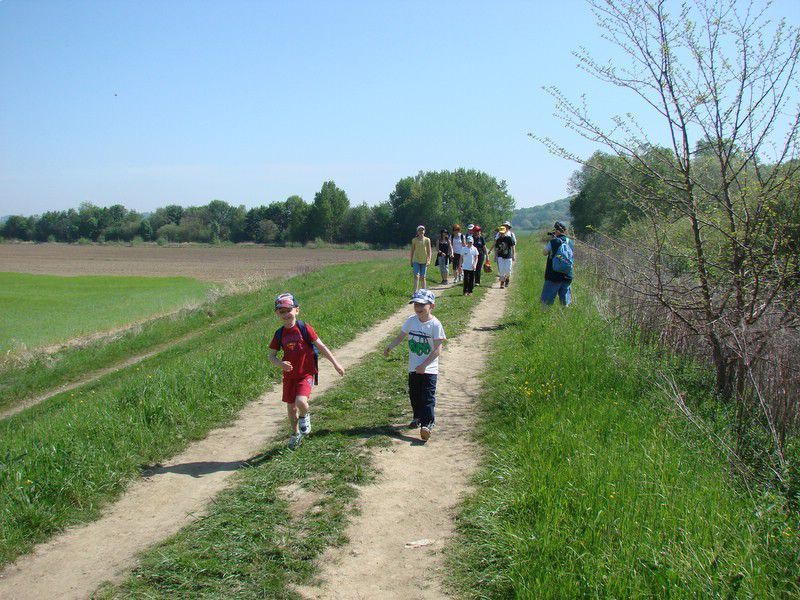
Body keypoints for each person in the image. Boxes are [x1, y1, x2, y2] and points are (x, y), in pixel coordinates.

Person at [268, 292, 345, 448]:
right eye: (281, 311)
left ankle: (304, 416)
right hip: (289, 376)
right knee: (291, 408)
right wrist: (280, 364)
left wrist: (336, 363)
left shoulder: (304, 328)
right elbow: (272, 356)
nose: (285, 314)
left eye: (288, 310)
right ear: (277, 313)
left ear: (297, 310)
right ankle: (295, 434)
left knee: (301, 401)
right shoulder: (279, 334)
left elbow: (321, 346)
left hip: (305, 373)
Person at [384, 289, 446, 442]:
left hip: (429, 368)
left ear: (432, 306)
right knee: (414, 394)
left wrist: (424, 365)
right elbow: (401, 336)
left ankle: (427, 425)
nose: (418, 308)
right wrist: (390, 346)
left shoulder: (435, 324)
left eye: (422, 305)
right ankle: (417, 416)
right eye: (416, 304)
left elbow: (438, 348)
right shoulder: (411, 320)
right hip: (413, 367)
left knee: (427, 396)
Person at [540, 221, 574, 306]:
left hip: (553, 275)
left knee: (546, 303)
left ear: (557, 231)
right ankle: (565, 318)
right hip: (567, 275)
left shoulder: (553, 242)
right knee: (565, 303)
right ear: (565, 231)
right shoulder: (570, 242)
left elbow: (544, 253)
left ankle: (544, 316)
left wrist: (552, 240)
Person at [410, 225, 432, 292]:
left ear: (424, 231)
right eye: (419, 230)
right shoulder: (414, 240)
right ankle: (415, 292)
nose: (421, 231)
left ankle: (423, 292)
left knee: (423, 277)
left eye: (422, 230)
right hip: (416, 260)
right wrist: (411, 260)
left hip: (424, 260)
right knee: (416, 276)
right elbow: (412, 251)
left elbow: (429, 251)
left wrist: (429, 260)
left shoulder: (427, 240)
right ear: (417, 231)